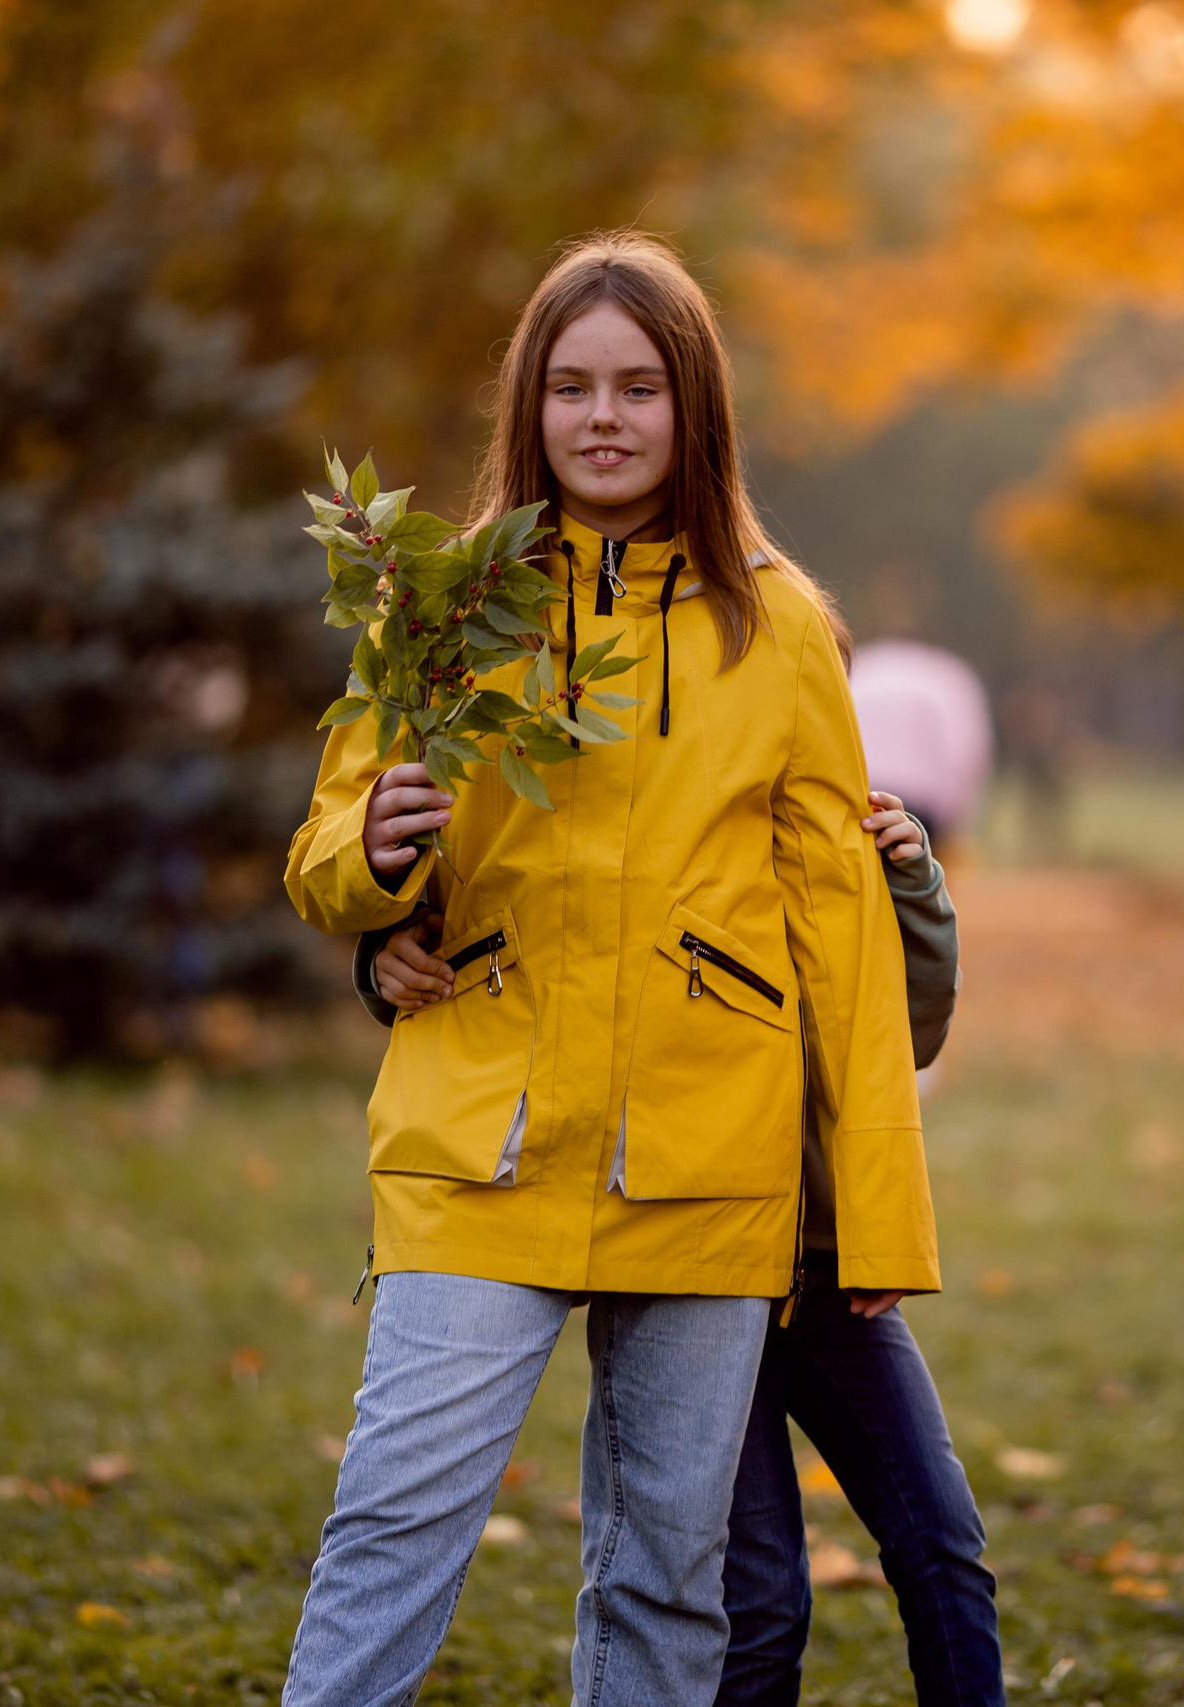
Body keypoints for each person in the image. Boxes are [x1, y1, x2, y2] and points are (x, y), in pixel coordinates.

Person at [278, 231, 937, 1707]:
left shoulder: (781, 629)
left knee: (664, 1570)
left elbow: (839, 923)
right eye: (571, 385)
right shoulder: (441, 607)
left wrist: (879, 1210)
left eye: (640, 386)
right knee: (392, 1520)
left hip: (709, 1153)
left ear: (694, 408)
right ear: (530, 404)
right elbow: (325, 852)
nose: (603, 416)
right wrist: (376, 861)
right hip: (480, 1135)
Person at [364, 794, 1004, 1704]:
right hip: (693, 1261)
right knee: (760, 1597)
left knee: (941, 1538)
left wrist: (913, 889)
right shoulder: (660, 820)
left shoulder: (840, 838)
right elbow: (545, 921)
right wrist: (377, 958)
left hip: (822, 1268)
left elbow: (913, 1029)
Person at [849, 637, 994, 854]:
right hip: (922, 799)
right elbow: (965, 747)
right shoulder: (946, 676)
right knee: (917, 873)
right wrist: (958, 813)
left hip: (862, 792)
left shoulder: (859, 669)